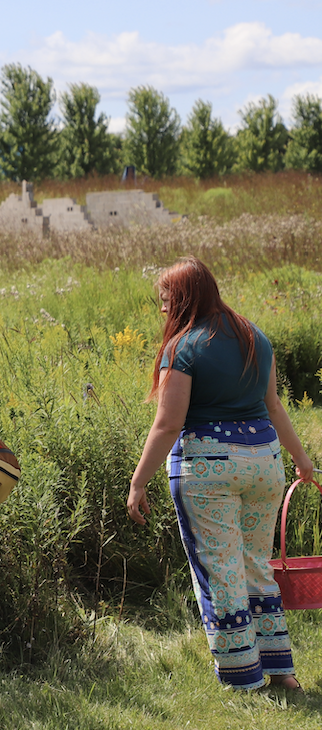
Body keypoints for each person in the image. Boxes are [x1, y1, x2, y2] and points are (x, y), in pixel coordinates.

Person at [126, 257, 315, 692]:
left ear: (184, 298)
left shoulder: (183, 348)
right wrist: (301, 460)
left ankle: (243, 678)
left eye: (166, 300)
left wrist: (138, 481)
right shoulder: (255, 336)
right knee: (255, 565)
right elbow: (273, 406)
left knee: (221, 569)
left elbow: (168, 424)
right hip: (265, 461)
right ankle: (281, 672)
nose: (162, 310)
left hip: (208, 467)